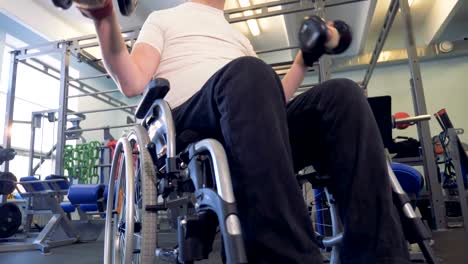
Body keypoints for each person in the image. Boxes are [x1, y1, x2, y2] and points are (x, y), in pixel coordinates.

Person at [78, 0, 411, 263]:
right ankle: (284, 257)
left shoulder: (240, 38)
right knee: (249, 74)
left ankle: (378, 255)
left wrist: (304, 59)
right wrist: (104, 18)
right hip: (192, 121)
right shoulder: (163, 19)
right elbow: (133, 81)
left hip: (251, 119)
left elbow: (271, 101)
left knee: (343, 95)